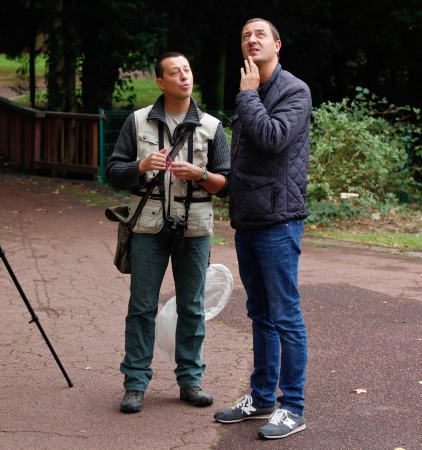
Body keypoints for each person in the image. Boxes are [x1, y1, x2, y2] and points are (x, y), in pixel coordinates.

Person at [106, 52, 230, 414]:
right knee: (141, 307)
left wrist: (201, 176)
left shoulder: (212, 126)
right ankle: (135, 384)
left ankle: (191, 381)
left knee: (192, 308)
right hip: (147, 227)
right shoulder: (137, 122)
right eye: (175, 73)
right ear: (161, 82)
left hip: (194, 229)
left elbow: (227, 184)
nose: (183, 77)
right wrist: (141, 166)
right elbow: (113, 172)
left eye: (187, 70)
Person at [212, 18, 311, 440]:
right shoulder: (251, 92)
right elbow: (248, 160)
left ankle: (294, 406)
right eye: (245, 35)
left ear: (277, 44)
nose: (251, 40)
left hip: (279, 221)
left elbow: (272, 138)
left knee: (285, 314)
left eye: (259, 35)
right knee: (260, 314)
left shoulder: (294, 91)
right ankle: (261, 397)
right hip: (248, 220)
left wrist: (249, 95)